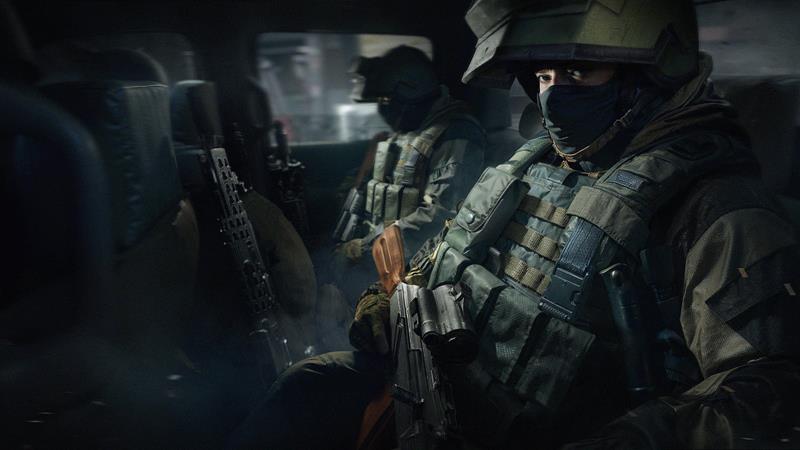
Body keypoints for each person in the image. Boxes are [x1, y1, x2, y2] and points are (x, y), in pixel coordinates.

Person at [230, 1, 800, 449]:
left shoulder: (714, 205)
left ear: (650, 75)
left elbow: (771, 386)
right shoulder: (534, 163)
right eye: (544, 76)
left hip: (545, 432)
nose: (554, 96)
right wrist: (392, 302)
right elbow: (449, 248)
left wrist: (644, 435)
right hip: (432, 388)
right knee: (307, 385)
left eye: (579, 70)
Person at [329, 45, 486, 303]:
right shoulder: (410, 128)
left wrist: (363, 248)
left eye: (388, 100)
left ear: (413, 93)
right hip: (382, 253)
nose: (384, 109)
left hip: (417, 266)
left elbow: (441, 215)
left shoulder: (456, 132)